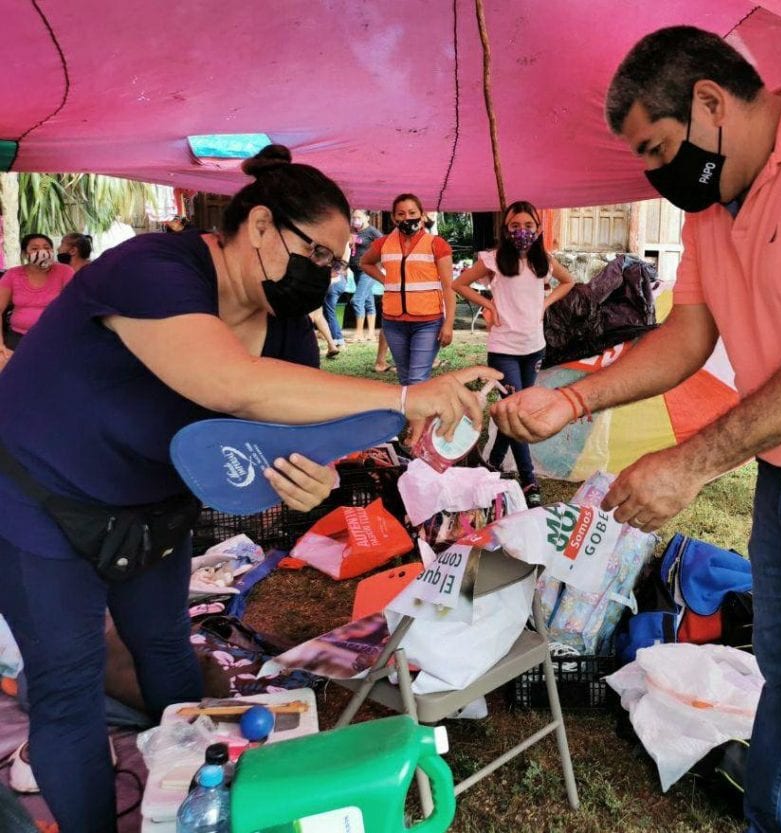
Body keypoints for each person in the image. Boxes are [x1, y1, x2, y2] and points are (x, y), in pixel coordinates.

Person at [493, 27, 781, 833]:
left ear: (711, 102)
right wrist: (572, 400)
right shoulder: (715, 208)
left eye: (657, 147)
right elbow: (687, 334)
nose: (654, 172)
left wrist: (694, 462)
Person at [0, 144, 498, 833]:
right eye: (318, 254)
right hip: (41, 495)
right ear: (260, 225)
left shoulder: (288, 329)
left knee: (168, 649)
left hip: (151, 509)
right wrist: (407, 396)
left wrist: (306, 479)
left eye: (336, 263)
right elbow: (229, 382)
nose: (326, 274)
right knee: (67, 689)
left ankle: (195, 794)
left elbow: (282, 435)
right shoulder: (154, 268)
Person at [453, 200, 574, 506]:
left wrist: (545, 304)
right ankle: (529, 479)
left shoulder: (542, 260)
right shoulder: (493, 259)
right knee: (518, 410)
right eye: (515, 226)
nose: (522, 231)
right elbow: (460, 283)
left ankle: (493, 460)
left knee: (517, 407)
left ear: (539, 229)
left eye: (528, 226)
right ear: (506, 230)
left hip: (533, 346)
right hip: (503, 347)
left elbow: (568, 281)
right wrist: (490, 306)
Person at [359, 194, 456, 385]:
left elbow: (448, 287)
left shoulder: (437, 244)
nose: (406, 218)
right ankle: (412, 415)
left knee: (417, 379)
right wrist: (386, 280)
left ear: (422, 215)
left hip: (428, 323)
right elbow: (365, 263)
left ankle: (420, 414)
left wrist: (449, 324)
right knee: (405, 379)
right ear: (394, 218)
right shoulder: (384, 243)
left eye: (412, 212)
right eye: (401, 214)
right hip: (393, 323)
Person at [0, 234, 75, 358]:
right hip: (18, 338)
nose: (42, 252)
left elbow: (75, 306)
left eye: (47, 247)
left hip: (56, 337)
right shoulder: (13, 274)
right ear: (25, 254)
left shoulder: (65, 271)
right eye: (34, 249)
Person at [347, 209, 384, 343]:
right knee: (368, 301)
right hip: (356, 270)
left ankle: (358, 333)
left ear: (367, 218)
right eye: (354, 217)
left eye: (358, 217)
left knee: (357, 300)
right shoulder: (354, 232)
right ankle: (371, 334)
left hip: (367, 271)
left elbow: (385, 243)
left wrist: (378, 262)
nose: (355, 220)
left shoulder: (372, 231)